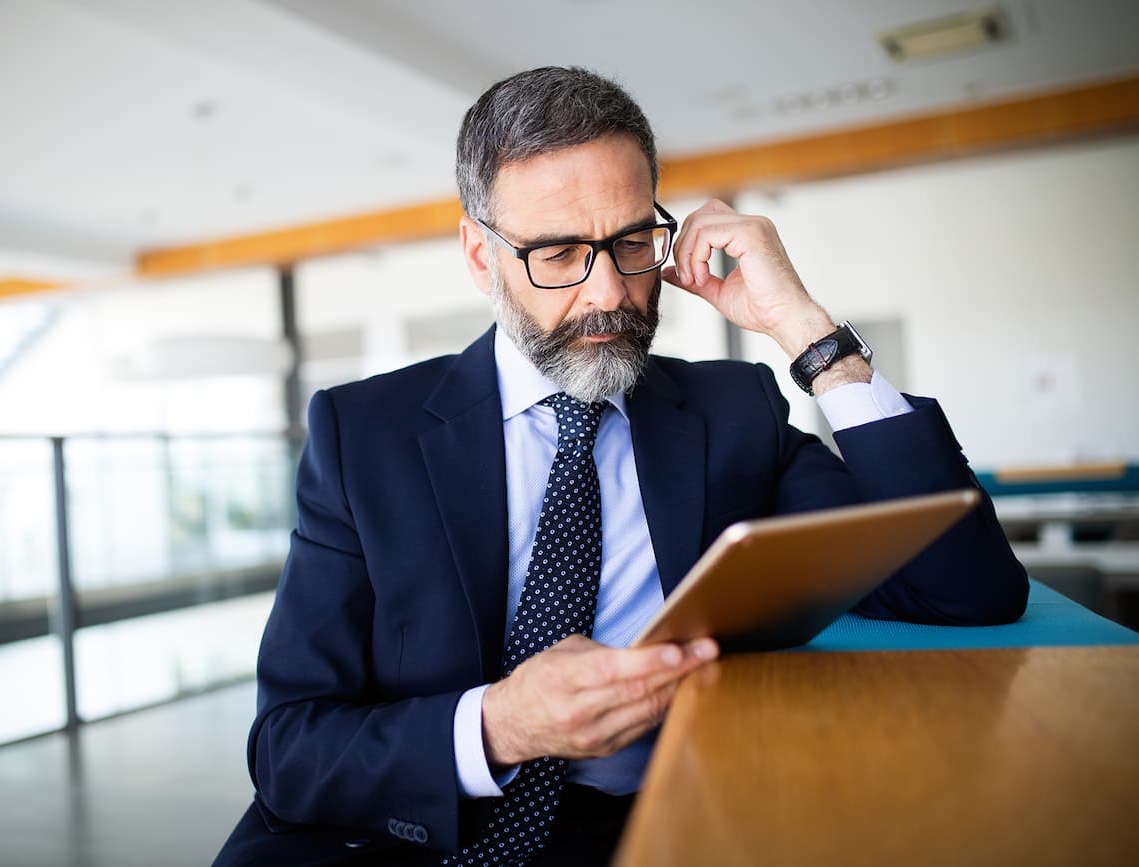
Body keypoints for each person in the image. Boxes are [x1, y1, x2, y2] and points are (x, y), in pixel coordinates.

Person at [213, 66, 1027, 867]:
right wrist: (499, 724)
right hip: (404, 835)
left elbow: (965, 592)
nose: (610, 290)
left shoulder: (732, 412)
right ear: (479, 255)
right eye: (560, 253)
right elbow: (290, 747)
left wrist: (810, 335)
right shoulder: (365, 433)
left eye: (634, 241)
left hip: (656, 823)